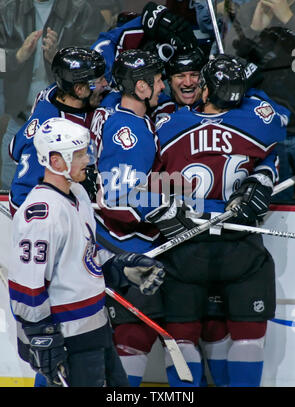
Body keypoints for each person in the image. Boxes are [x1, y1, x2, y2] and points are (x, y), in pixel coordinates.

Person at [145, 54, 290, 387]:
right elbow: (278, 145)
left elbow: (149, 180)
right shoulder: (258, 121)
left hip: (185, 246)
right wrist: (263, 178)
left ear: (206, 90)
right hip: (240, 245)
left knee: (180, 339)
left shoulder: (170, 125)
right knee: (248, 338)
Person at [8, 117, 165, 387]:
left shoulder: (78, 194)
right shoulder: (41, 213)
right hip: (68, 340)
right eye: (79, 154)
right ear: (56, 161)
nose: (87, 160)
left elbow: (85, 257)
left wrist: (121, 268)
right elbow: (27, 287)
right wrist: (42, 338)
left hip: (95, 331)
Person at [90, 49, 167, 387]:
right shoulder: (128, 130)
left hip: (114, 246)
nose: (163, 86)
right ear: (141, 86)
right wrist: (168, 207)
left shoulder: (121, 116)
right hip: (123, 248)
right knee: (124, 339)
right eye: (158, 80)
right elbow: (116, 200)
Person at [0, 0, 105, 190]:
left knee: (68, 190)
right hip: (20, 118)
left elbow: (97, 63)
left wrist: (56, 57)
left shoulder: (80, 10)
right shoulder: (7, 9)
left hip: (69, 121)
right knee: (12, 189)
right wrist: (16, 56)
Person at [9, 46, 108, 217]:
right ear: (78, 89)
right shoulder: (53, 130)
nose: (105, 84)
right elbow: (21, 198)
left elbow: (14, 149)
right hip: (43, 216)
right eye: (98, 80)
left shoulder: (54, 93)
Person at [223, 0, 295, 201]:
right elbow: (227, 67)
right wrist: (254, 30)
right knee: (274, 208)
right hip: (266, 133)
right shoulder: (250, 10)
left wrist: (289, 19)